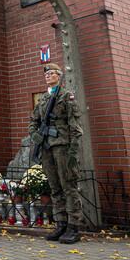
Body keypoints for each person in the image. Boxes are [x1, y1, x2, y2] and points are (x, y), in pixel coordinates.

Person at [27, 63, 82, 244]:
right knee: (55, 188)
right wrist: (34, 134)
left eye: (51, 73)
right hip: (47, 148)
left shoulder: (67, 97)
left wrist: (74, 150)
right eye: (45, 74)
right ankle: (61, 224)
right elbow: (33, 121)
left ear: (60, 75)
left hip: (63, 147)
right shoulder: (42, 99)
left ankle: (73, 227)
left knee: (68, 186)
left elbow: (75, 126)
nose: (47, 76)